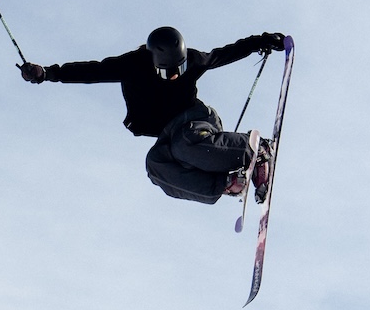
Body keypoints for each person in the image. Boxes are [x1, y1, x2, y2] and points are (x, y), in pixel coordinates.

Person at [20, 26, 287, 204]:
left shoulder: (193, 60)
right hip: (171, 130)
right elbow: (91, 71)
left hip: (196, 119)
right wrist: (47, 73)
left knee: (185, 144)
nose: (174, 76)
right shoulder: (132, 65)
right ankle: (227, 183)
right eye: (166, 72)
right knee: (155, 165)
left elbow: (223, 54)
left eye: (179, 69)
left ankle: (257, 149)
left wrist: (260, 42)